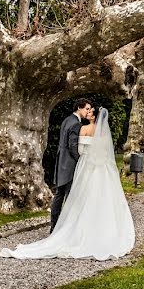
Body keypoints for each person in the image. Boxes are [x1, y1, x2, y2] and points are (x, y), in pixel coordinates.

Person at [0, 106, 135, 261]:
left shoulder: (83, 129)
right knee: (100, 199)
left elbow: (78, 149)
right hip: (101, 169)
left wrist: (86, 158)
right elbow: (105, 153)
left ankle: (77, 231)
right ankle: (101, 231)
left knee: (82, 199)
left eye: (91, 112)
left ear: (94, 116)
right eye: (88, 110)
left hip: (86, 166)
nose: (88, 112)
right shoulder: (104, 134)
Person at [48, 99, 92, 233]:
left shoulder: (66, 120)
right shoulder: (75, 124)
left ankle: (54, 226)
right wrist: (80, 161)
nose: (88, 112)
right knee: (70, 196)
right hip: (70, 165)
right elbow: (72, 146)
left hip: (61, 162)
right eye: (86, 109)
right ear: (79, 107)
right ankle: (67, 229)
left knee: (59, 195)